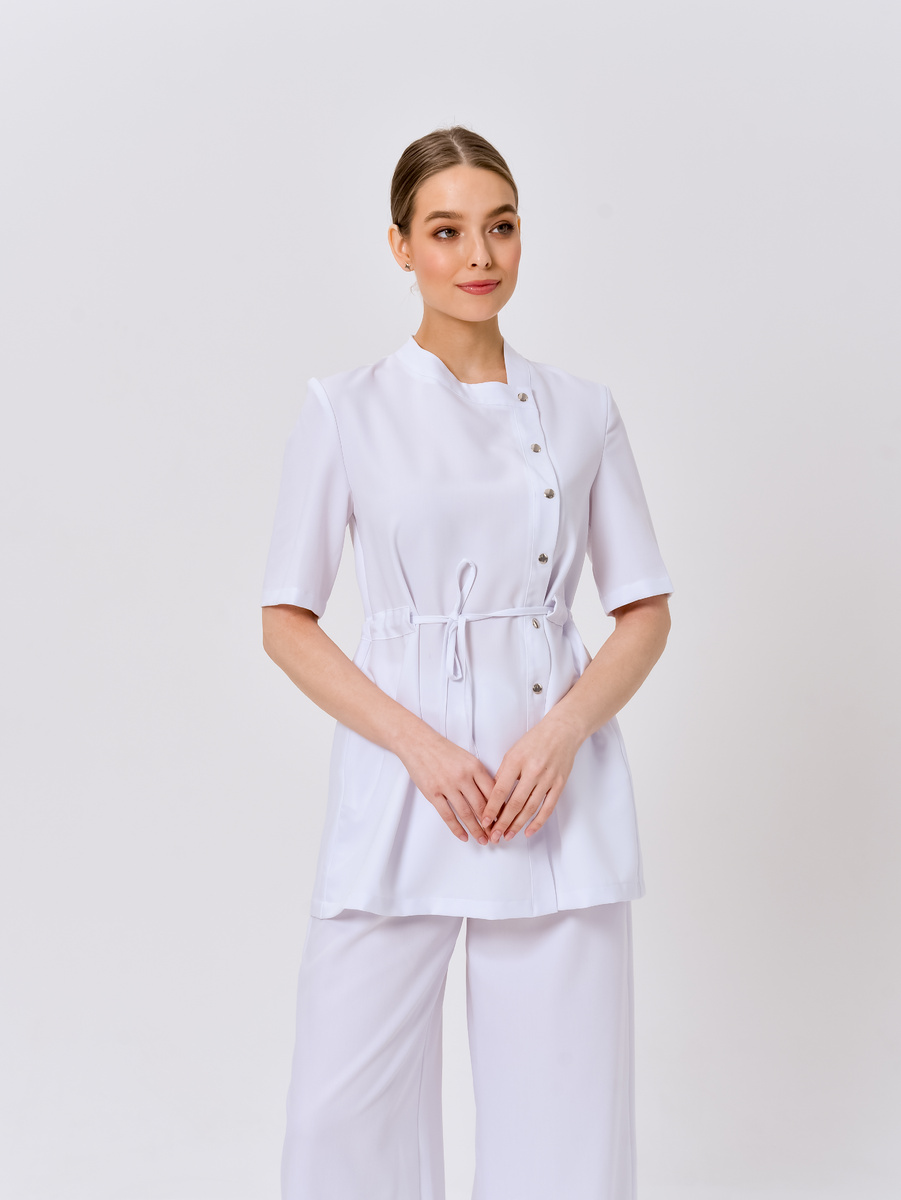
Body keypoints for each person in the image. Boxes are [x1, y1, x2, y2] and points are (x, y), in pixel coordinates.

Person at [260, 125, 673, 1200]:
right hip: (403, 781)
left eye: (500, 226)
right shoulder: (346, 408)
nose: (478, 255)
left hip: (553, 794)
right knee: (341, 1111)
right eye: (445, 231)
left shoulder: (581, 409)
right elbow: (286, 620)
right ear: (400, 245)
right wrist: (421, 750)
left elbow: (642, 610)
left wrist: (561, 734)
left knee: (562, 1114)